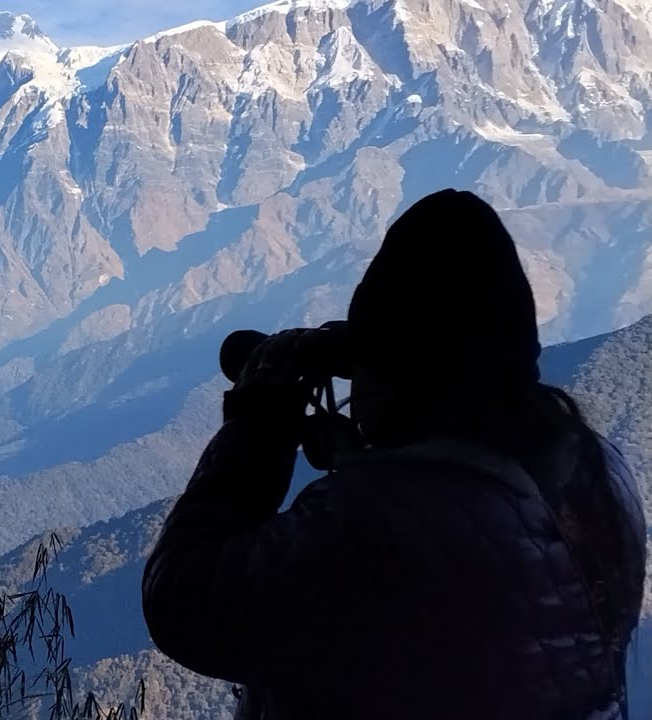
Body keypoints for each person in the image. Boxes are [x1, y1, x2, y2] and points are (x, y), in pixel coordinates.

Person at [141, 189, 648, 720]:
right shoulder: (601, 473)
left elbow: (182, 602)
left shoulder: (375, 524)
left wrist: (258, 424)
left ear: (397, 381)